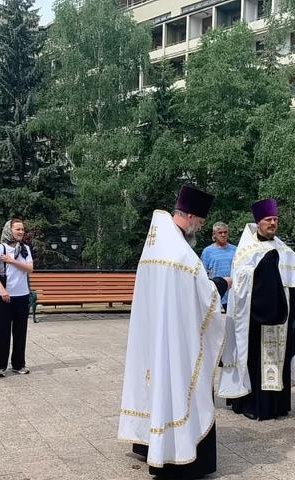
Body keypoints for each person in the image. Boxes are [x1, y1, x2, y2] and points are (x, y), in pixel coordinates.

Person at [118, 185, 230, 479]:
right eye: (201, 222)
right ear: (190, 216)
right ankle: (179, 454)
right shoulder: (181, 254)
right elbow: (204, 296)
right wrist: (223, 284)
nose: (201, 227)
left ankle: (151, 445)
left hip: (153, 334)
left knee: (156, 387)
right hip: (176, 339)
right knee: (181, 387)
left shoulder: (155, 247)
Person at [218, 198, 295, 420]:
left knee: (280, 359)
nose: (273, 223)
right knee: (254, 359)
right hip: (254, 317)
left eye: (276, 219)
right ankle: (254, 405)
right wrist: (262, 270)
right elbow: (241, 282)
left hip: (281, 317)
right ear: (258, 222)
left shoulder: (285, 250)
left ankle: (277, 406)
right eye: (269, 219)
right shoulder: (246, 250)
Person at [0, 218, 33, 377]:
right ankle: (0, 366)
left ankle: (18, 364)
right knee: (2, 332)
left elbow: (30, 268)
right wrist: (2, 290)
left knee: (20, 332)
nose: (21, 232)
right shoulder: (1, 248)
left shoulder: (25, 248)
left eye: (22, 229)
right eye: (17, 229)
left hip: (22, 295)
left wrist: (12, 261)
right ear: (9, 230)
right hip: (3, 297)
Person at [201, 222, 237, 310]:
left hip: (232, 295)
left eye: (225, 232)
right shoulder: (207, 252)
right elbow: (202, 274)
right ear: (214, 234)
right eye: (220, 233)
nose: (223, 235)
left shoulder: (235, 250)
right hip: (216, 294)